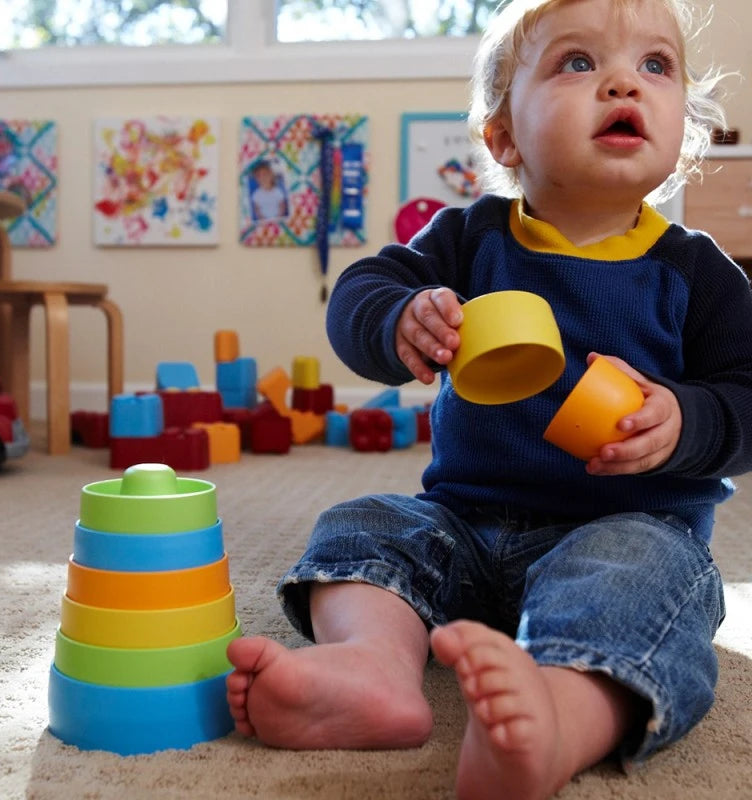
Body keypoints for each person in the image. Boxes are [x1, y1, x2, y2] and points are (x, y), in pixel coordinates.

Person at [227, 1, 752, 797]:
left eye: (656, 66)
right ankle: (373, 672)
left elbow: (748, 395)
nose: (622, 83)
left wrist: (688, 420)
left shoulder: (697, 273)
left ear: (683, 127)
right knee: (362, 524)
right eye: (578, 63)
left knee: (645, 577)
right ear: (504, 136)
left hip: (626, 529)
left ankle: (559, 719)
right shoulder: (471, 240)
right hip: (465, 527)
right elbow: (361, 289)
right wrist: (402, 317)